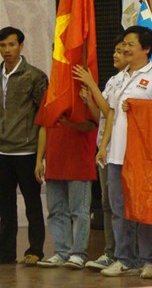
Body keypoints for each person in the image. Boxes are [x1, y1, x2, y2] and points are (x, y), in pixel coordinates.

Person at [96, 25, 152, 278]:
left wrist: (140, 110)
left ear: (146, 49)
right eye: (124, 44)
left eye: (130, 44)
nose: (125, 49)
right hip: (116, 154)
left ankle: (150, 260)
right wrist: (104, 146)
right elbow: (111, 114)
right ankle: (124, 258)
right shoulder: (119, 78)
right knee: (118, 209)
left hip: (142, 157)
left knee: (145, 209)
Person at [72, 34, 127, 270]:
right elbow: (101, 116)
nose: (116, 55)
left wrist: (92, 84)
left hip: (121, 149)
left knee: (119, 205)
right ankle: (110, 251)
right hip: (105, 148)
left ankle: (125, 254)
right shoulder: (113, 81)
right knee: (106, 203)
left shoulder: (131, 82)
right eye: (115, 50)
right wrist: (89, 102)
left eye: (121, 51)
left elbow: (112, 112)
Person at [0, 26, 48, 266]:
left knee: (32, 203)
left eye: (11, 45)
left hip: (26, 150)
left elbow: (44, 117)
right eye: (3, 46)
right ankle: (6, 252)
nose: (7, 50)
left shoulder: (34, 76)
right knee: (5, 205)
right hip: (2, 151)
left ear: (21, 46)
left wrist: (40, 156)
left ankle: (35, 250)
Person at [34, 99, 96, 269]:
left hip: (79, 161)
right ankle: (62, 252)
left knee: (79, 211)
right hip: (55, 161)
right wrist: (39, 159)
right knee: (56, 210)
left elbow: (91, 125)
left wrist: (70, 123)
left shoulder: (84, 92)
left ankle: (78, 253)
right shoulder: (50, 94)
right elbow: (44, 126)